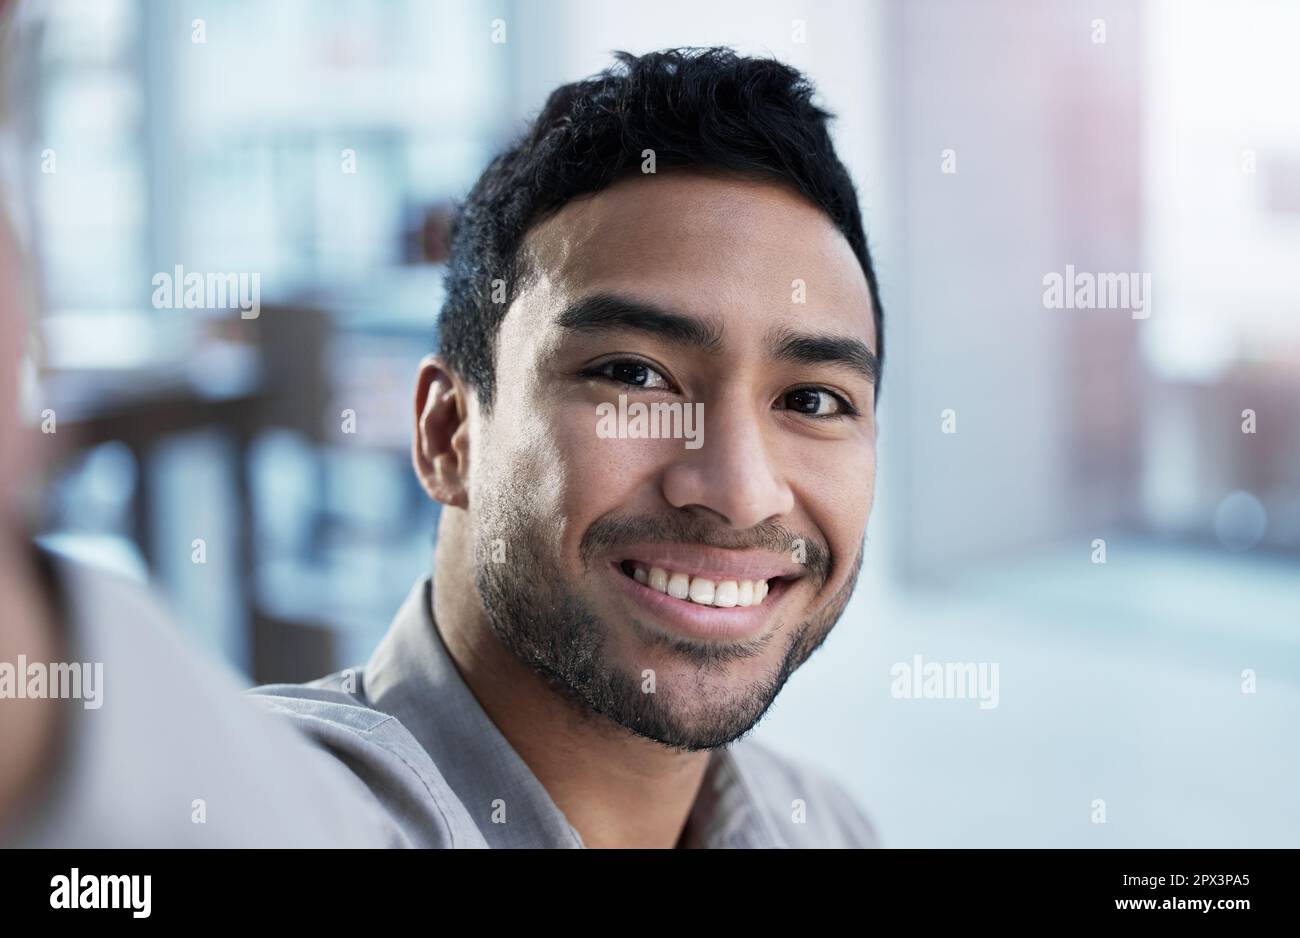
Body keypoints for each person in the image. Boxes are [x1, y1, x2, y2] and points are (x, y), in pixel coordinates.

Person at [247, 47, 884, 848]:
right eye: (634, 375)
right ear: (450, 435)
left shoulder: (824, 827)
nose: (740, 489)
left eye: (812, 399)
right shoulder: (259, 808)